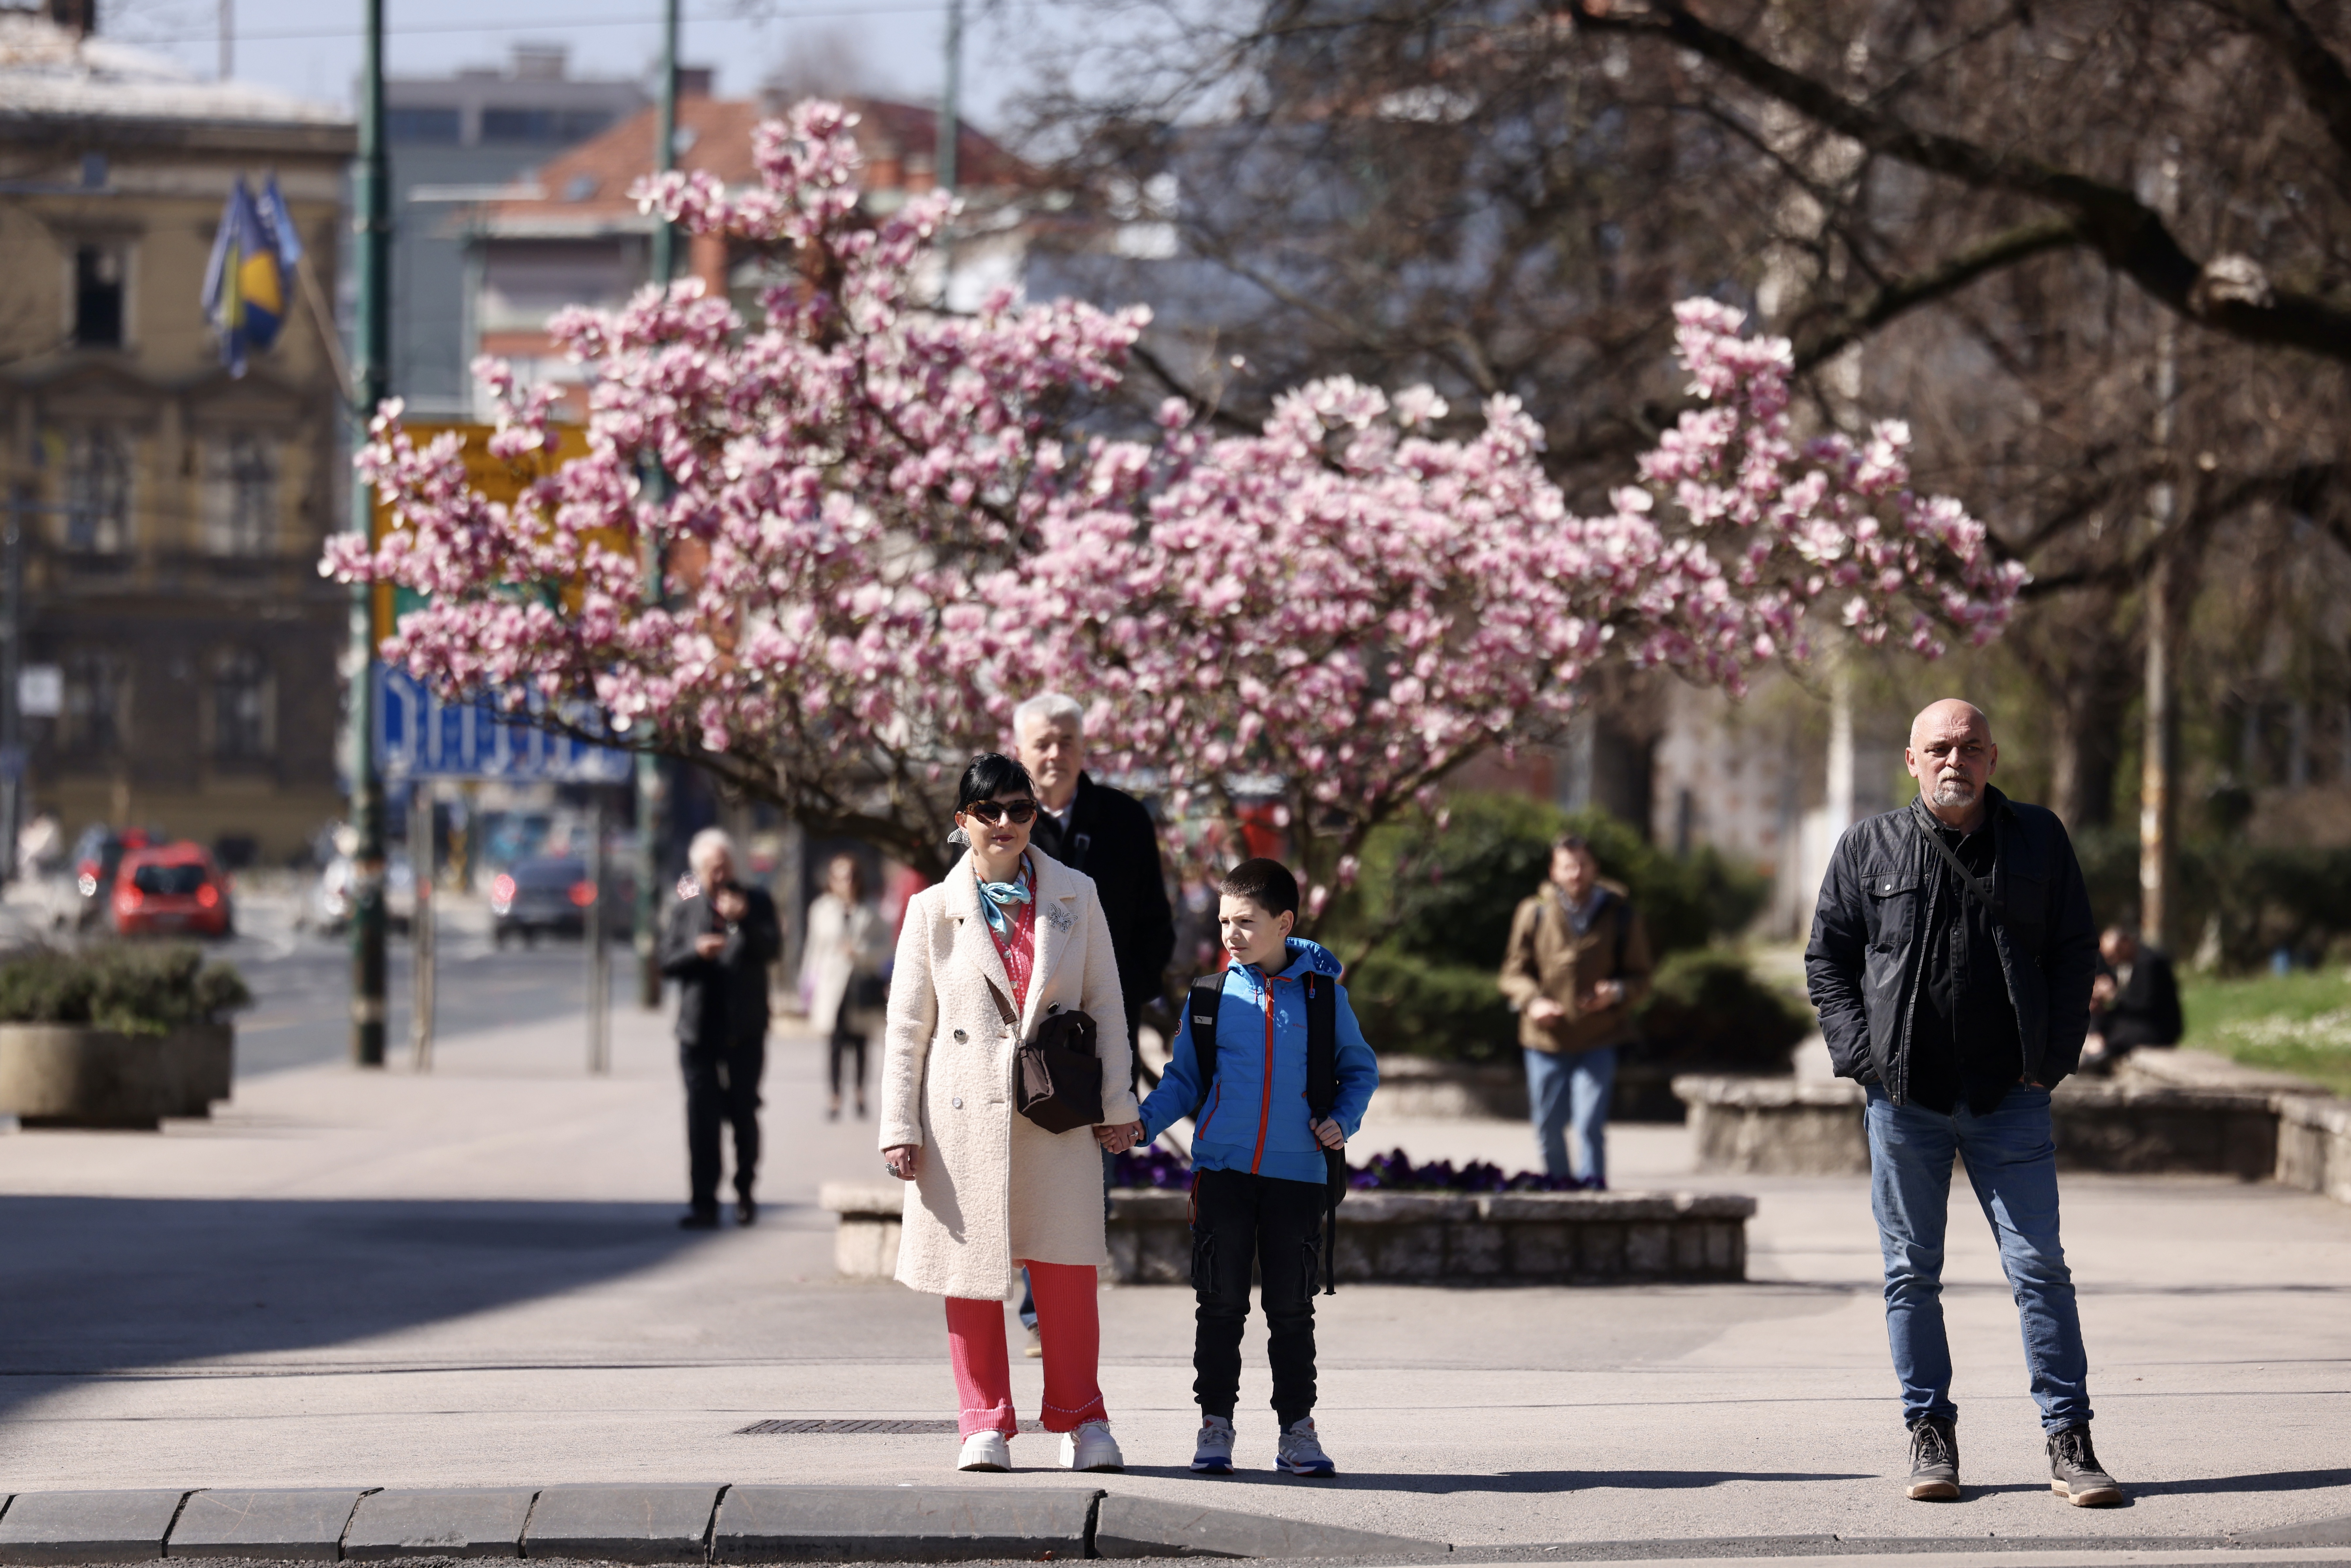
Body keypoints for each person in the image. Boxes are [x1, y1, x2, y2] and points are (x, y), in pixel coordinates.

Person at [1806, 698, 2122, 1507]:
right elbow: (1828, 958)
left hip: (2009, 1098)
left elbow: (2073, 949)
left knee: (2039, 1268)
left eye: (1972, 747)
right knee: (1910, 1272)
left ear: (1993, 757)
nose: (1957, 760)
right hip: (1905, 1099)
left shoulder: (2040, 838)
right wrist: (1864, 1060)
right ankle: (1930, 1432)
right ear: (1911, 760)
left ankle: (2070, 1437)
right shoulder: (1867, 846)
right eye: (1940, 747)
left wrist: (2051, 1059)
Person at [879, 753, 1142, 1475]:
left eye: (1020, 809)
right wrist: (898, 1124)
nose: (1005, 823)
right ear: (961, 821)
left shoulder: (1076, 895)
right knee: (969, 1276)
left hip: (1055, 1107)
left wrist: (1120, 1106)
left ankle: (1084, 1419)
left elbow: (1107, 1002)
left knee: (1067, 1273)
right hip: (961, 1114)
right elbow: (907, 1026)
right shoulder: (932, 908)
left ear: (1035, 815)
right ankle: (982, 1421)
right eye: (988, 810)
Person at [1107, 857, 1378, 1478]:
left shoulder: (1324, 997)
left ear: (1284, 923)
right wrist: (1143, 1124)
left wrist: (1344, 1118)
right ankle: (1215, 1425)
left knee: (1290, 1310)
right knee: (1219, 1306)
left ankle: (1297, 1431)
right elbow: (1184, 1079)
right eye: (1225, 920)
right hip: (1222, 1173)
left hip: (1298, 1177)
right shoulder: (1209, 997)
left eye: (1246, 922)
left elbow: (1359, 1071)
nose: (1230, 933)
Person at [1011, 691, 1177, 1354]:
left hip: (1103, 1030)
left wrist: (1113, 997)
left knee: (1090, 1165)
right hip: (1024, 1031)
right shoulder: (1005, 821)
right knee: (1027, 1161)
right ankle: (1032, 1310)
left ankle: (1063, 1307)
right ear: (1020, 749)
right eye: (1042, 742)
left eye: (1067, 740)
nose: (1055, 754)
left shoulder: (1125, 819)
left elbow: (1155, 929)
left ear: (1085, 747)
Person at [1497, 833, 1653, 1188]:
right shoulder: (1533, 911)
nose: (1576, 874)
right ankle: (1560, 1192)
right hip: (1545, 1038)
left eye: (1582, 865)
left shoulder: (1620, 913)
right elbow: (1512, 972)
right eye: (1568, 866)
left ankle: (1593, 1198)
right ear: (1554, 871)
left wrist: (1614, 992)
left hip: (1598, 1036)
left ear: (1594, 868)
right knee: (1548, 1126)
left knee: (1588, 1125)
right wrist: (1533, 1001)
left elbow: (1641, 977)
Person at [660, 827, 782, 1230]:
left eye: (725, 866)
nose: (720, 875)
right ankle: (703, 1203)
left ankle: (745, 1192)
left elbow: (772, 950)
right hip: (698, 1030)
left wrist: (744, 922)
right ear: (698, 871)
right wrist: (696, 951)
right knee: (702, 1118)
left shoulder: (757, 902)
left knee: (744, 1111)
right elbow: (667, 961)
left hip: (745, 1026)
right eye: (712, 869)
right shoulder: (686, 907)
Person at [802, 853, 887, 1120]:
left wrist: (860, 952)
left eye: (850, 876)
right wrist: (807, 986)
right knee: (835, 1043)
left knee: (861, 1042)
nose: (845, 882)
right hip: (832, 986)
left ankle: (860, 1093)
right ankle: (835, 1096)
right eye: (839, 877)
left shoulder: (870, 909)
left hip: (860, 985)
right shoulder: (821, 909)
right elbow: (813, 950)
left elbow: (886, 947)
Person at [2080, 924, 2183, 1075]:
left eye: (2116, 954)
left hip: (2157, 1026)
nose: (2113, 961)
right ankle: (2096, 1051)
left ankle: (2100, 1057)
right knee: (2095, 1018)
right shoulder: (2128, 964)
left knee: (2120, 1034)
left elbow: (2144, 1004)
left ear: (2126, 942)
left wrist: (2114, 996)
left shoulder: (2150, 963)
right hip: (2138, 1019)